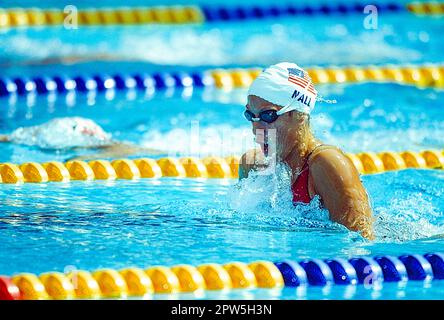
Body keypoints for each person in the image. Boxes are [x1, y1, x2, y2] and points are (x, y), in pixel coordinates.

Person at [239, 62, 375, 240]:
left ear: (299, 115)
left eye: (268, 116)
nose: (256, 129)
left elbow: (360, 243)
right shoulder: (253, 166)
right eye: (251, 116)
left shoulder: (327, 164)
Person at [0, 117, 163, 160]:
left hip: (73, 126)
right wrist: (86, 157)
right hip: (72, 130)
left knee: (19, 137)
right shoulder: (107, 144)